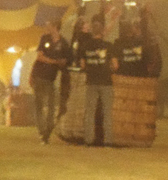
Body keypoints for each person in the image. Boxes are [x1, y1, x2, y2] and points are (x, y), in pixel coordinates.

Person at [29, 19, 72, 144]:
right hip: (40, 75)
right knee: (39, 104)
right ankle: (42, 130)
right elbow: (40, 57)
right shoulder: (44, 38)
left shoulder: (63, 43)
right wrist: (54, 62)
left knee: (52, 106)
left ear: (55, 27)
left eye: (49, 25)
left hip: (51, 78)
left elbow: (66, 60)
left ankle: (47, 130)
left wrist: (62, 63)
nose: (47, 27)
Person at [76, 15, 115, 147]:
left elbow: (82, 64)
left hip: (91, 81)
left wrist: (91, 66)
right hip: (106, 82)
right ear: (102, 31)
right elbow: (115, 65)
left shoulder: (85, 46)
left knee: (90, 111)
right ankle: (108, 140)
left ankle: (88, 139)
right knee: (107, 112)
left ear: (92, 32)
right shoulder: (108, 46)